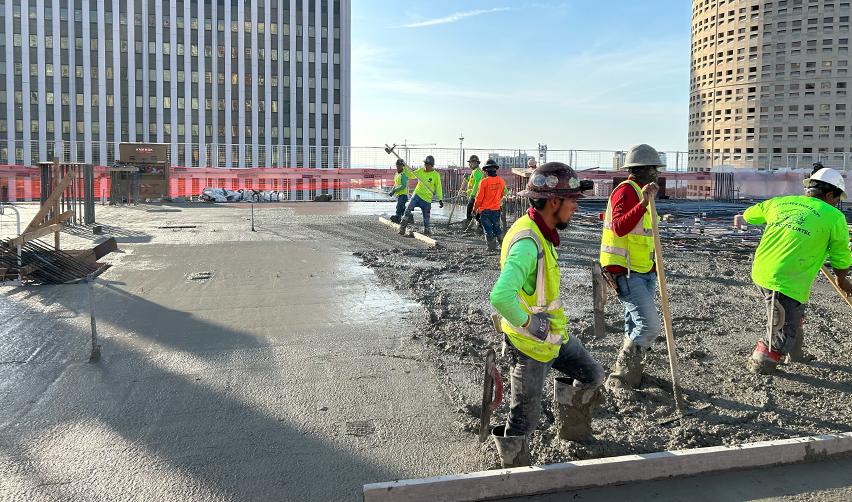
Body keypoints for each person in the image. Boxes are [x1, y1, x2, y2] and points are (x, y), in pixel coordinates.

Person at [489, 162, 604, 467]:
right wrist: (529, 323)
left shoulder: (542, 232)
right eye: (573, 201)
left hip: (553, 337)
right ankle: (513, 471)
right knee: (524, 418)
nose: (576, 208)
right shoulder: (528, 243)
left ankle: (572, 430)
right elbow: (500, 296)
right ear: (554, 202)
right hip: (530, 346)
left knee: (591, 374)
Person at [744, 167, 852, 374]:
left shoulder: (780, 202)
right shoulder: (834, 216)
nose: (836, 204)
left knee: (792, 312)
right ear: (830, 194)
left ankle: (796, 353)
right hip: (783, 277)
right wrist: (842, 279)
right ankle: (763, 360)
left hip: (765, 270)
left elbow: (750, 215)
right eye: (837, 199)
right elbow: (840, 255)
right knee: (782, 325)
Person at [599, 144, 663, 390]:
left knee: (635, 325)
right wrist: (643, 203)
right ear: (641, 170)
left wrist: (654, 267)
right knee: (650, 326)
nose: (657, 174)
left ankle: (631, 378)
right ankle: (621, 376)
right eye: (654, 169)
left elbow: (645, 236)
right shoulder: (626, 191)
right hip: (625, 271)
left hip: (643, 270)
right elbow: (619, 227)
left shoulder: (642, 192)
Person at [398, 155, 444, 236]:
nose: (425, 166)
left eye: (427, 164)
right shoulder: (421, 171)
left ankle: (427, 230)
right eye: (425, 164)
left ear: (431, 165)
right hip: (417, 195)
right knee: (408, 208)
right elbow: (410, 175)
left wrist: (440, 199)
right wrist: (404, 167)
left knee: (426, 218)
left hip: (427, 199)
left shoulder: (435, 175)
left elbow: (439, 188)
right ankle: (402, 227)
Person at [474, 159, 508, 251]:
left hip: (485, 211)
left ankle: (491, 247)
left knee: (488, 229)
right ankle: (503, 245)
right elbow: (502, 194)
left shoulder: (484, 182)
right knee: (497, 228)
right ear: (495, 169)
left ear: (485, 170)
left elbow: (479, 198)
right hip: (496, 210)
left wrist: (475, 209)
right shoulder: (501, 181)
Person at [465, 155, 484, 232]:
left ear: (476, 163)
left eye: (471, 163)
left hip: (475, 196)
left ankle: (471, 226)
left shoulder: (476, 171)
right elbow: (472, 182)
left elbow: (477, 182)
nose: (469, 164)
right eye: (469, 163)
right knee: (476, 212)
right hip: (475, 195)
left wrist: (473, 195)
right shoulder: (476, 171)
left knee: (470, 211)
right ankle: (478, 226)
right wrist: (467, 178)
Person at [388, 159, 409, 224]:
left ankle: (398, 217)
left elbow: (403, 186)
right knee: (402, 207)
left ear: (402, 166)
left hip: (403, 195)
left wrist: (394, 190)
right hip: (399, 195)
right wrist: (392, 190)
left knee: (399, 206)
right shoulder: (397, 174)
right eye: (397, 166)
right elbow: (396, 184)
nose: (398, 167)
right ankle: (409, 217)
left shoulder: (404, 174)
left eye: (399, 166)